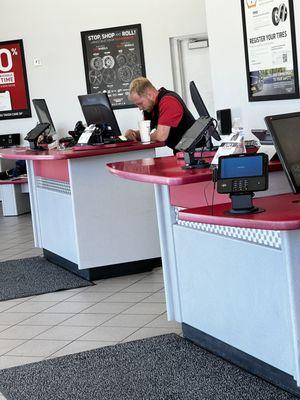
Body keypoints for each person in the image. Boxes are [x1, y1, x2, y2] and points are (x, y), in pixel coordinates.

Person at [125, 77, 196, 152]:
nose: (140, 108)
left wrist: (148, 136)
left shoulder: (169, 101)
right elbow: (146, 133)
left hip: (197, 152)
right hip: (181, 152)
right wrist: (134, 134)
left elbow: (161, 136)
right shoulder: (150, 108)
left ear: (149, 95)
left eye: (140, 103)